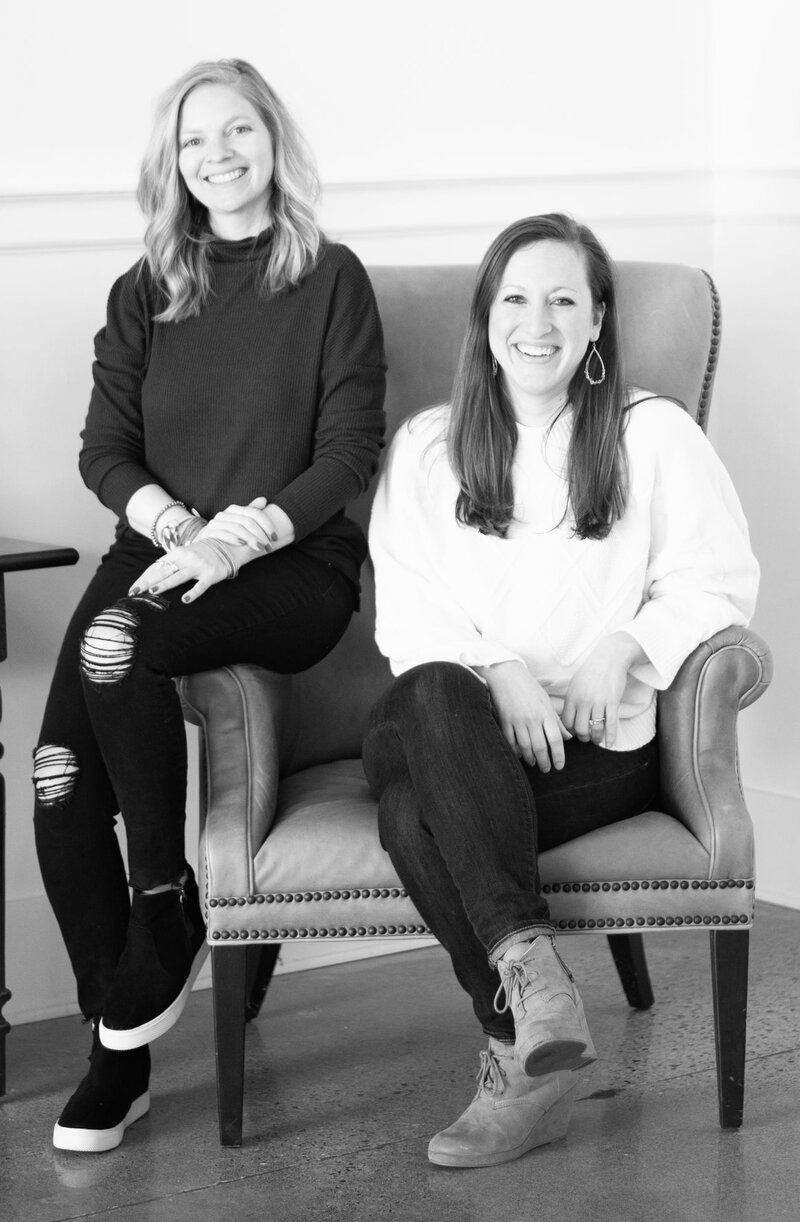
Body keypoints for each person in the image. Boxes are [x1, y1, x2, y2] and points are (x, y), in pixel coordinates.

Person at [34, 58, 385, 1153]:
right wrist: (172, 523)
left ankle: (162, 900)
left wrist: (238, 535)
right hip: (160, 548)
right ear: (170, 163)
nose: (217, 156)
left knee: (110, 645)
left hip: (290, 566)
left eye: (238, 132)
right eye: (194, 141)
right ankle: (119, 1045)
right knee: (54, 778)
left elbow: (346, 454)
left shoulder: (330, 279)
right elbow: (104, 448)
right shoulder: (147, 288)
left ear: (274, 142)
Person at [363, 213, 758, 1169]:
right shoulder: (428, 446)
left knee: (416, 817)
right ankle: (535, 979)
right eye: (514, 298)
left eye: (562, 299)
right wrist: (499, 673)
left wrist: (620, 646)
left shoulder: (651, 434)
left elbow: (721, 582)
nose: (534, 322)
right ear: (484, 318)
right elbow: (406, 612)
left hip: (592, 747)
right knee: (430, 693)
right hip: (446, 718)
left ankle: (522, 1055)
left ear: (595, 323)